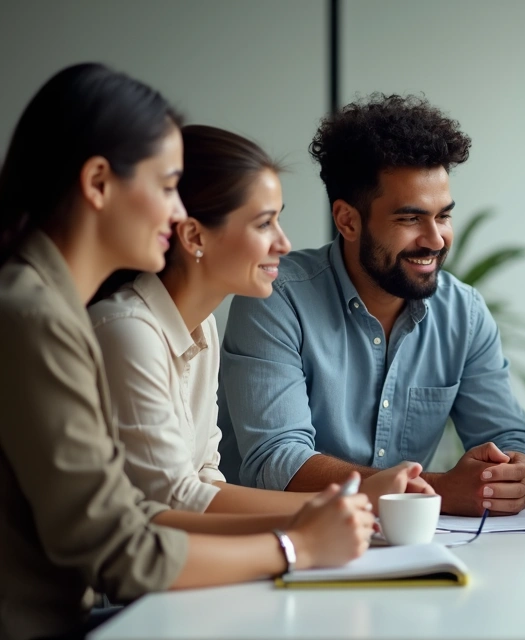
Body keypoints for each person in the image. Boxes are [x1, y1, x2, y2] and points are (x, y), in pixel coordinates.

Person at [0, 64, 373, 640]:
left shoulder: (56, 311)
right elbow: (122, 549)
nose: (178, 213)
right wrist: (296, 544)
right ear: (98, 183)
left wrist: (315, 524)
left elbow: (139, 513)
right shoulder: (38, 317)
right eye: (168, 185)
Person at [217, 94, 525, 517]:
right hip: (285, 545)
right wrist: (434, 490)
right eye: (410, 219)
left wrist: (516, 473)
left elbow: (511, 436)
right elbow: (275, 460)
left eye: (443, 216)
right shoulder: (276, 298)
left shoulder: (464, 311)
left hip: (412, 550)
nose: (436, 239)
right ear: (348, 220)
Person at [89, 125, 432, 516]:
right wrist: (338, 507)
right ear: (194, 237)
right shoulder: (127, 331)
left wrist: (334, 512)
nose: (283, 244)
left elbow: (204, 476)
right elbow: (174, 499)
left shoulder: (202, 328)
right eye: (263, 224)